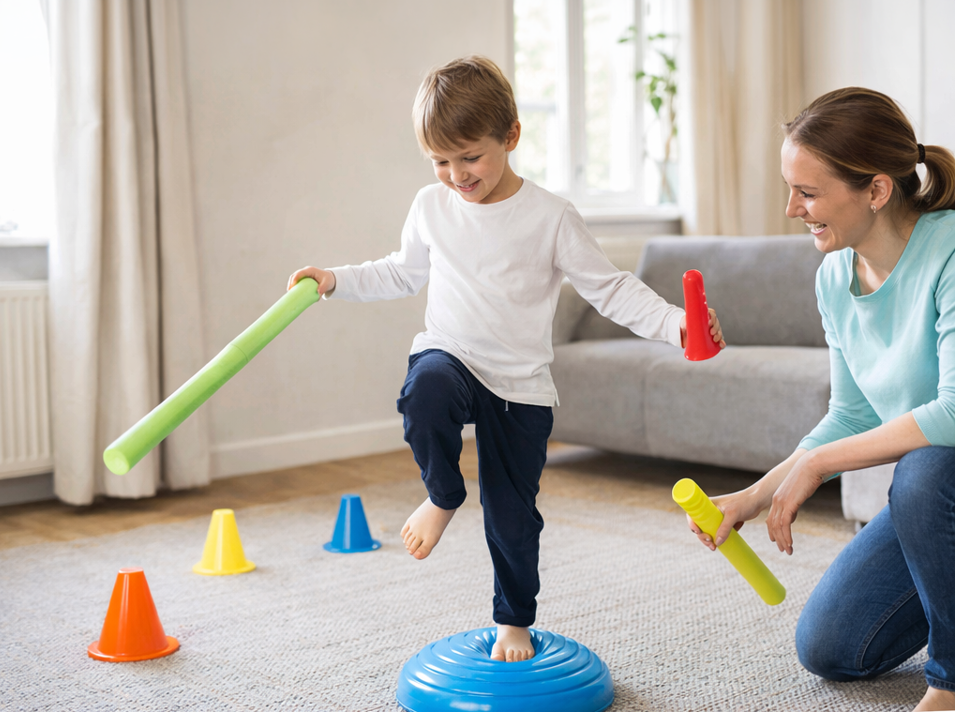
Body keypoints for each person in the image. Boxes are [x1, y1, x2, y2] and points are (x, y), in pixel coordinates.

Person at [288, 55, 725, 663]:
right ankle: (443, 494)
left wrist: (677, 323)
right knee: (424, 392)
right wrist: (334, 279)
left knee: (513, 517)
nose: (456, 175)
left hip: (520, 387)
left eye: (470, 157)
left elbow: (610, 289)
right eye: (440, 161)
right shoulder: (431, 206)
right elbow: (400, 272)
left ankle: (513, 621)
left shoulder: (551, 217)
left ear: (511, 136)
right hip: (452, 355)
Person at [689, 87, 955, 712]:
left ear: (877, 189)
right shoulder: (834, 276)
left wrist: (818, 464)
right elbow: (852, 414)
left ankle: (948, 683)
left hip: (937, 482)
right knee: (831, 647)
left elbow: (953, 411)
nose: (791, 209)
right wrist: (754, 496)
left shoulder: (949, 252)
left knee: (923, 472)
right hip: (940, 500)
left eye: (807, 192)